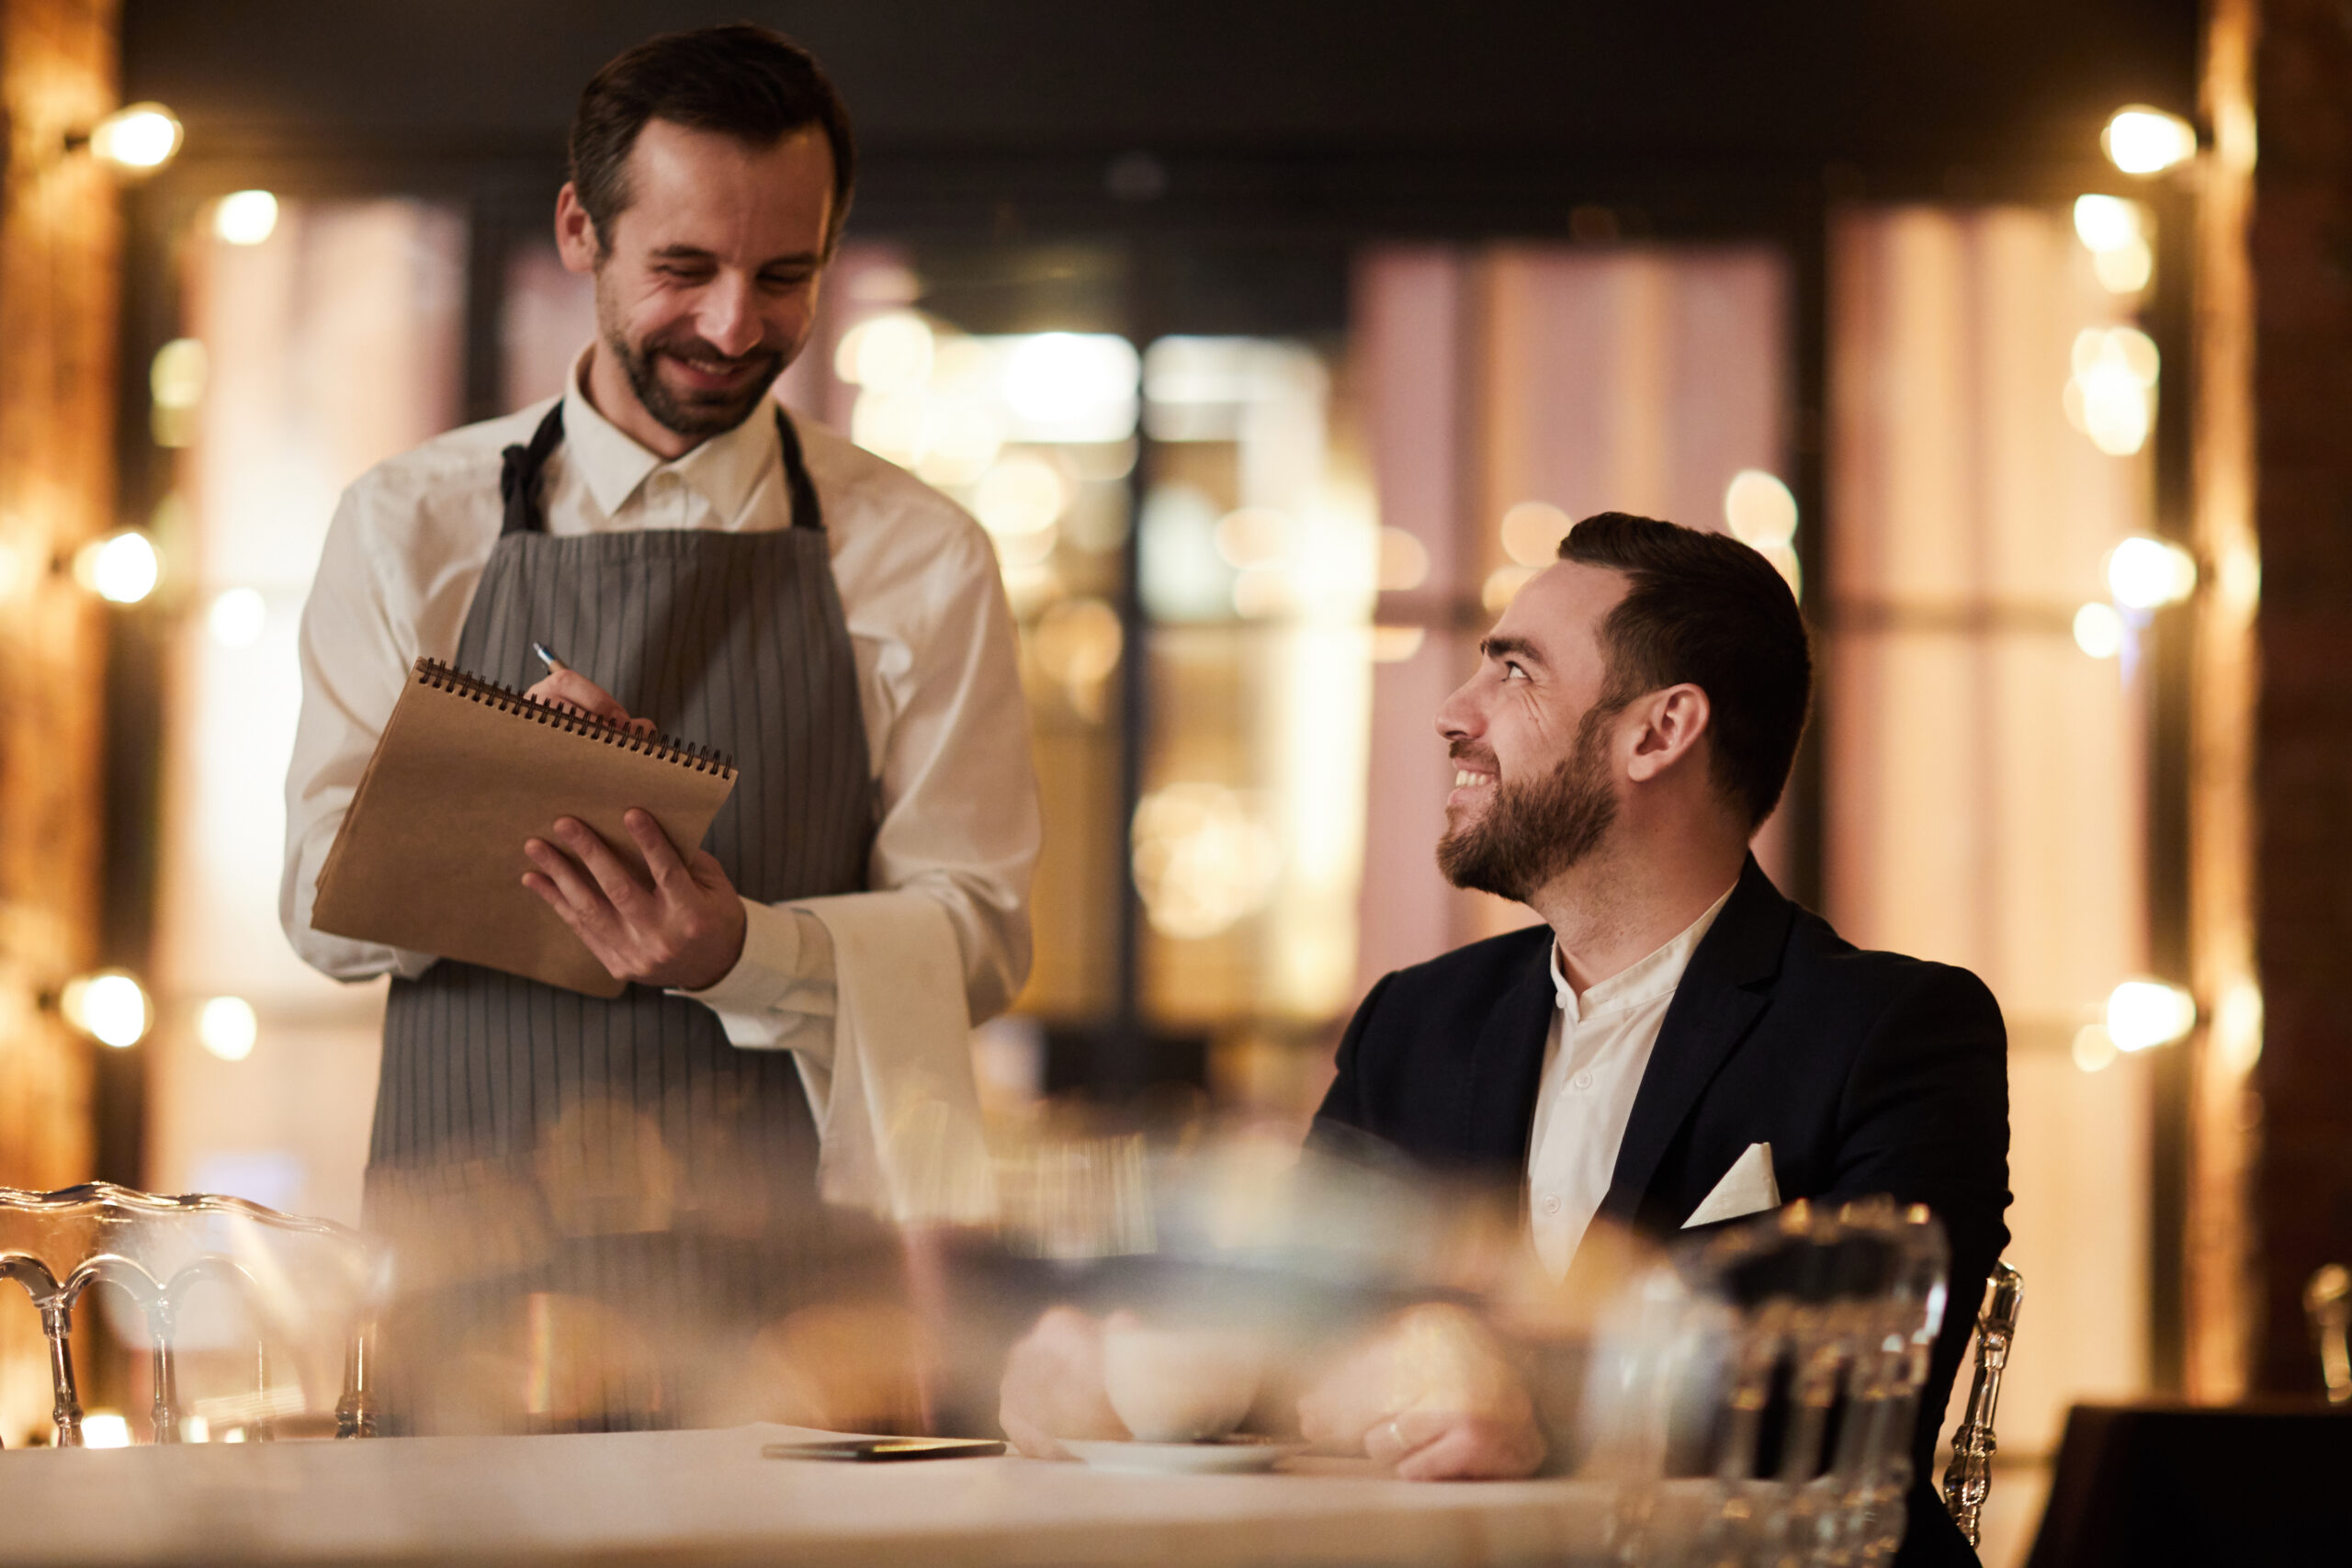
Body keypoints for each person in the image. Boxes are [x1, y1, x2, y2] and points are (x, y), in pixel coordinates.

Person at [1001, 513, 2006, 1568]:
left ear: (1658, 734)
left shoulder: (1892, 1028)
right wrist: (1130, 1373)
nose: (1452, 713)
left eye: (1514, 674)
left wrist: (1540, 1398)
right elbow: (1295, 1320)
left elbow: (1853, 1391)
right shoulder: (1414, 1021)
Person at [281, 25, 1036, 1418]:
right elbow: (319, 919)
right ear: (582, 229)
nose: (736, 324)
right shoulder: (408, 526)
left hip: (799, 1302)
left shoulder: (921, 555)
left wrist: (741, 948)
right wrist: (491, 779)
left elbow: (981, 932)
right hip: (475, 1288)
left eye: (785, 274)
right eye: (684, 268)